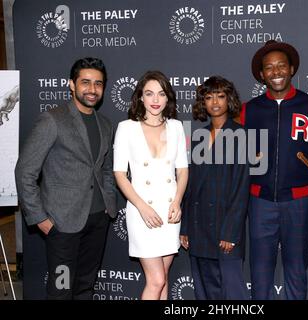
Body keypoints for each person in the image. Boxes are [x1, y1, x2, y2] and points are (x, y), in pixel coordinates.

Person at [15, 57, 117, 300]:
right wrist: (40, 218)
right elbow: (25, 171)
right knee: (61, 289)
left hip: (97, 222)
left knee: (85, 286)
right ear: (71, 84)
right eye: (86, 82)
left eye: (98, 84)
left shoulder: (105, 124)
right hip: (62, 226)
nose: (92, 90)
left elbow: (105, 169)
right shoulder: (53, 119)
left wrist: (108, 205)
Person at [241, 40, 308, 300]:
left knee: (296, 271)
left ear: (292, 68)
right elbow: (220, 139)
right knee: (260, 273)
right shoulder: (249, 110)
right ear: (261, 75)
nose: (276, 71)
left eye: (281, 65)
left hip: (299, 202)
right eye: (269, 67)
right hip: (259, 201)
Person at [113, 70, 188, 300]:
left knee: (163, 276)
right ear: (140, 98)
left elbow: (182, 170)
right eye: (149, 94)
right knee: (156, 280)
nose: (155, 100)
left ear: (168, 98)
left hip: (169, 212)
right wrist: (141, 207)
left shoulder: (176, 127)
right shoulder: (127, 128)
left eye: (161, 94)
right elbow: (119, 174)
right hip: (142, 211)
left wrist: (177, 201)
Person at [180, 76, 250, 300]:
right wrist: (186, 227)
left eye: (220, 96)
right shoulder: (198, 136)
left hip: (225, 228)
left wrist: (231, 232)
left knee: (232, 292)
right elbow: (189, 186)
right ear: (203, 103)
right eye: (209, 97)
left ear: (229, 99)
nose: (215, 102)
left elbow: (241, 188)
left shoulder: (241, 135)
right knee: (204, 291)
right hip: (199, 227)